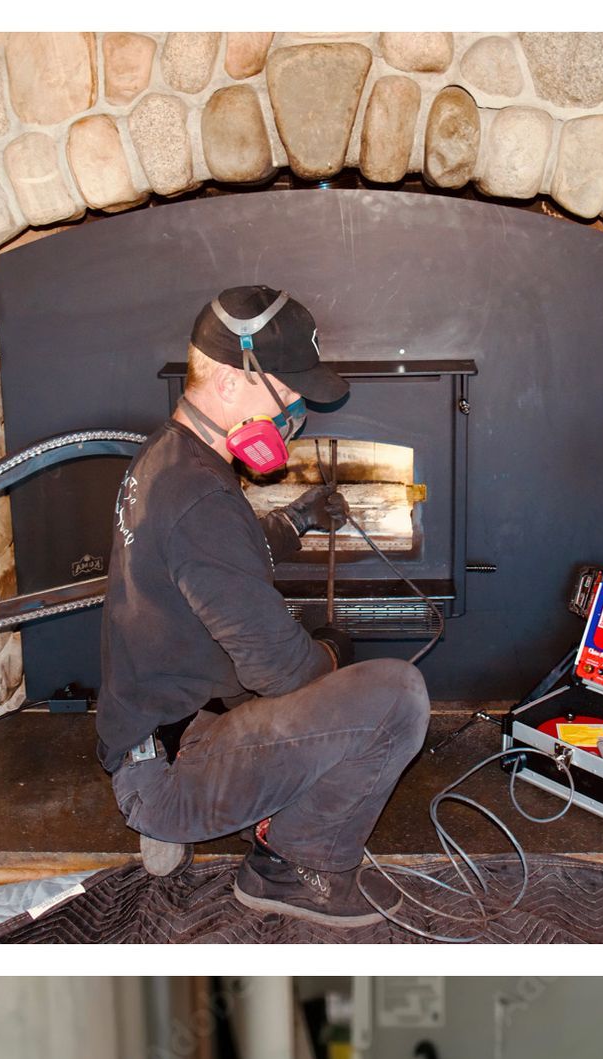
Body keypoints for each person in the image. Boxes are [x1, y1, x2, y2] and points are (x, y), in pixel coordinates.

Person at [96, 285, 429, 928]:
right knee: (396, 696)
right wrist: (334, 652)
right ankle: (292, 863)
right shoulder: (202, 498)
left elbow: (223, 553)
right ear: (229, 381)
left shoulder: (171, 460)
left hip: (155, 734)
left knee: (307, 649)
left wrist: (298, 520)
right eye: (289, 390)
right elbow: (282, 673)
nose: (298, 409)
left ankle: (193, 810)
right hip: (172, 768)